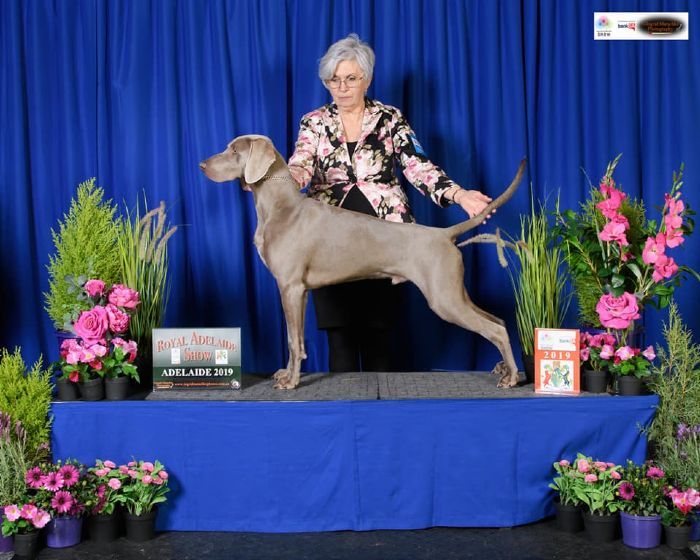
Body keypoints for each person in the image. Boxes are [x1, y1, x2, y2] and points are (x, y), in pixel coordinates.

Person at [287, 33, 491, 373]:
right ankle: (343, 404)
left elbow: (417, 166)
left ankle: (381, 405)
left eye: (350, 78)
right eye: (334, 80)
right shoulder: (314, 122)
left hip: (386, 238)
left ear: (366, 79)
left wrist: (458, 194)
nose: (342, 87)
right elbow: (300, 164)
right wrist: (278, 181)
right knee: (339, 338)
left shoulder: (390, 117)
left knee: (378, 335)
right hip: (327, 240)